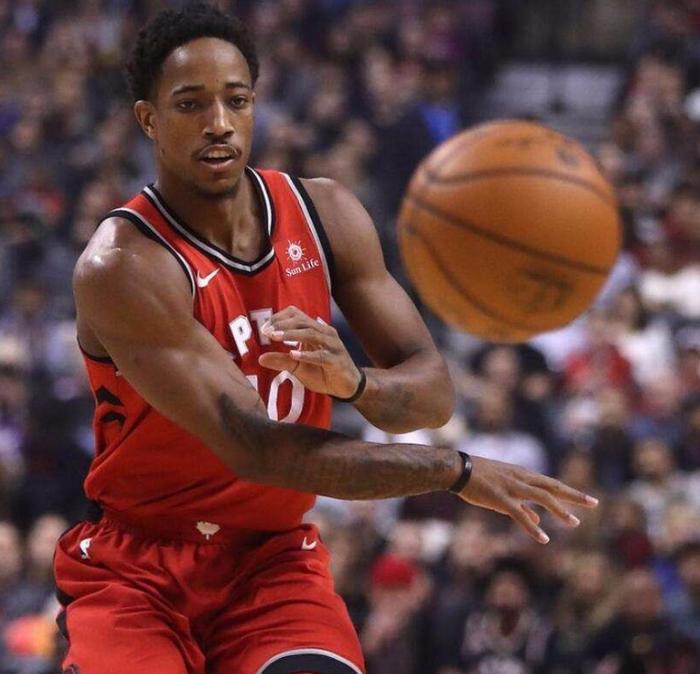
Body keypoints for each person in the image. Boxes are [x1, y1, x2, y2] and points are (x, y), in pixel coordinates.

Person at [54, 4, 598, 674]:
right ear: (148, 119)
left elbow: (433, 396)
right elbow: (258, 450)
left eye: (236, 100)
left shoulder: (326, 214)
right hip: (140, 571)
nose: (219, 122)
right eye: (191, 104)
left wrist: (356, 383)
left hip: (271, 561)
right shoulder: (123, 265)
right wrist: (453, 471)